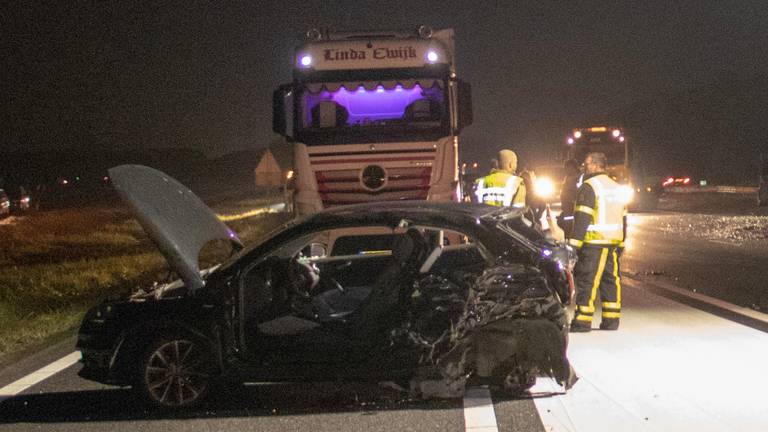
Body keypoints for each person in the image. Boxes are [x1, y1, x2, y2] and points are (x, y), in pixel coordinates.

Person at [568, 152, 628, 332]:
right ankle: (611, 320)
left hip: (594, 243)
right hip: (613, 244)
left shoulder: (589, 187)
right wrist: (622, 243)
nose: (584, 167)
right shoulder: (616, 187)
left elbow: (582, 218)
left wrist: (573, 246)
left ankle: (582, 321)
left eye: (587, 164)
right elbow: (624, 218)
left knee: (588, 281)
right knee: (611, 281)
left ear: (596, 165)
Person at [557, 159, 582, 239]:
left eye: (566, 168)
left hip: (572, 208)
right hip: (567, 207)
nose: (565, 170)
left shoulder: (579, 178)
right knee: (565, 225)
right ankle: (568, 240)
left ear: (572, 167)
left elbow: (579, 192)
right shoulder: (568, 177)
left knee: (570, 227)